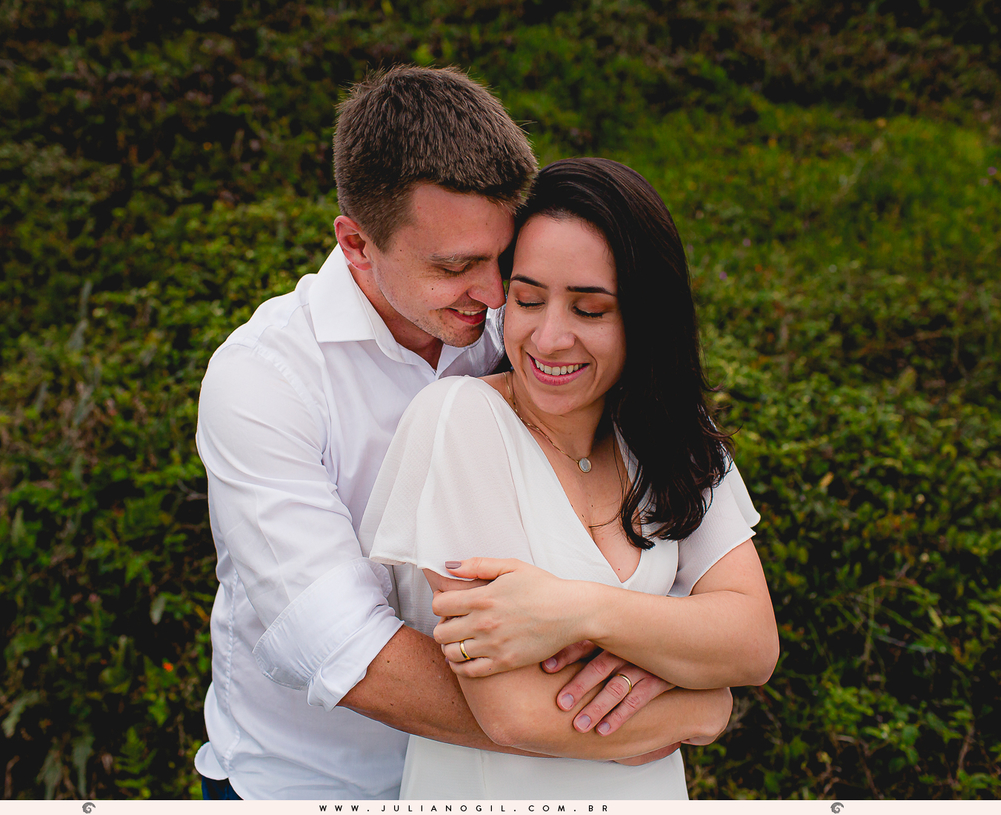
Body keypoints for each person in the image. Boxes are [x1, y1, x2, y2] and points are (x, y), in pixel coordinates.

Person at [192, 67, 686, 801]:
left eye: (502, 259)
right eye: (455, 266)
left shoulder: (523, 329)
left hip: (495, 785)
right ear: (357, 244)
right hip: (316, 785)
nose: (492, 295)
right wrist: (655, 717)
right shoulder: (264, 382)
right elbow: (347, 648)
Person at [362, 158, 779, 799]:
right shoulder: (461, 420)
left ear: (645, 319)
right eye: (527, 299)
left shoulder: (671, 435)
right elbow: (516, 712)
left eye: (589, 310)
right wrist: (704, 706)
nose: (550, 337)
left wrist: (576, 610)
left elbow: (752, 642)